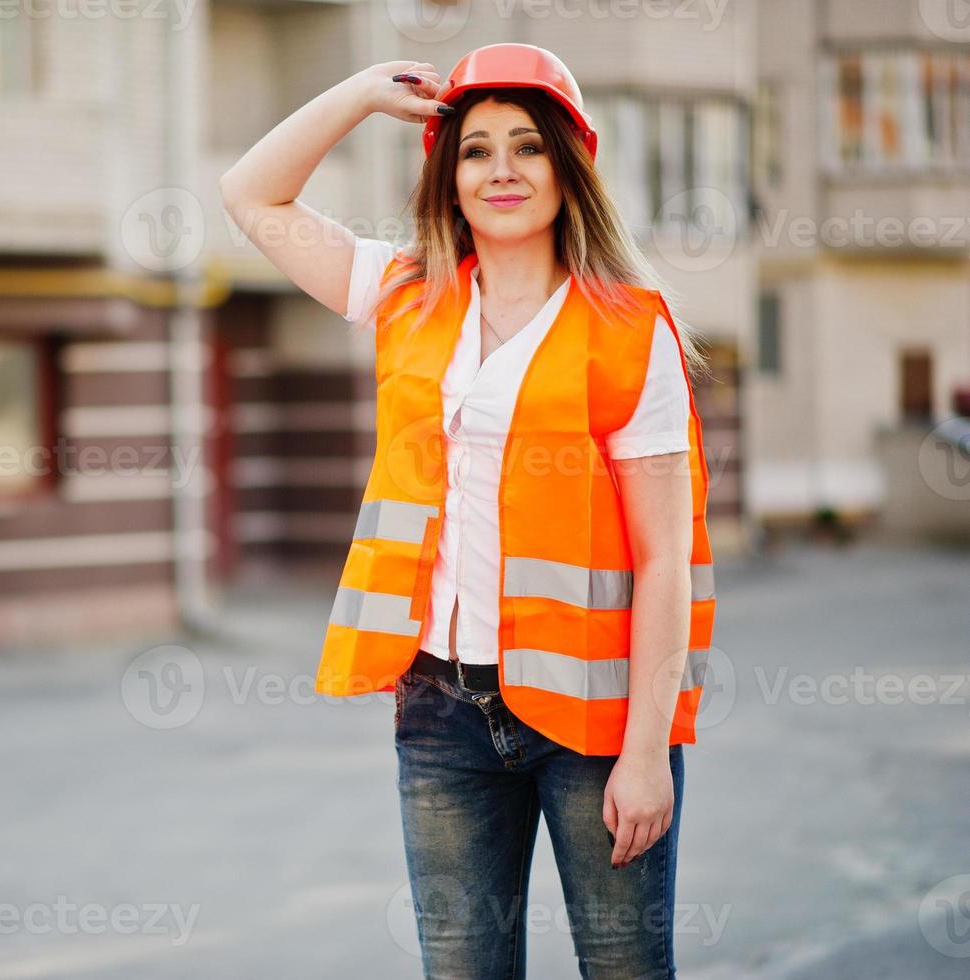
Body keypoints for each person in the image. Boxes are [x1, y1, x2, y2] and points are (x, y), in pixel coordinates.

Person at [220, 43, 715, 980]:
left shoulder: (627, 329)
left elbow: (664, 559)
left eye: (526, 147)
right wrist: (362, 97)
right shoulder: (404, 294)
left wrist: (647, 751)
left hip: (595, 721)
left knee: (623, 970)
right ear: (447, 178)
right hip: (441, 708)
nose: (501, 171)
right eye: (475, 149)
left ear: (568, 173)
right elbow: (251, 195)